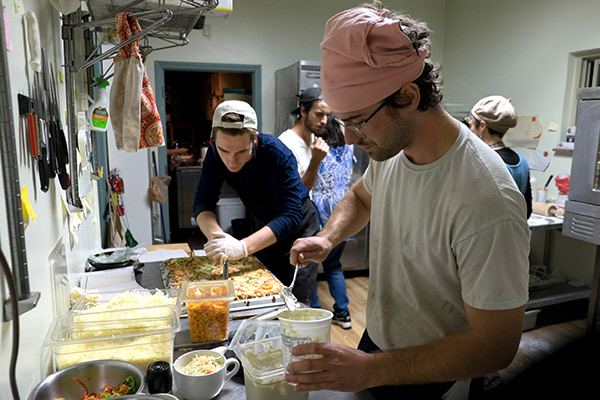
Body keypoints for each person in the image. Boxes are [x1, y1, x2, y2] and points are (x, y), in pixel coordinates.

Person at [286, 2, 530, 399]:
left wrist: (371, 371)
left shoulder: (487, 199)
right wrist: (328, 238)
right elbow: (362, 198)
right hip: (376, 346)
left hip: (434, 376)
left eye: (358, 121)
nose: (348, 137)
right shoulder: (393, 153)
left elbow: (495, 346)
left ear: (409, 95)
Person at [193, 100, 319, 304]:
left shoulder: (278, 154)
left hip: (298, 228)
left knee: (297, 299)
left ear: (255, 140)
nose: (232, 161)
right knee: (262, 291)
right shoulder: (215, 154)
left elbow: (291, 215)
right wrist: (216, 236)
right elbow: (203, 202)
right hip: (263, 224)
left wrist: (242, 247)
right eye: (225, 151)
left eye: (242, 152)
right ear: (214, 141)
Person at [309, 114, 356, 329]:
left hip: (321, 212)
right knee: (334, 265)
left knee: (309, 266)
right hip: (345, 209)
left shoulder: (319, 150)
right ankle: (343, 314)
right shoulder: (348, 148)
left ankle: (316, 312)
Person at [468, 95, 533, 218]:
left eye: (471, 125)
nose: (469, 131)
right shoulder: (522, 161)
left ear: (482, 126)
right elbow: (527, 210)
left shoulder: (482, 161)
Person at [279, 87, 331, 190]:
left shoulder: (312, 137)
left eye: (327, 115)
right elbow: (298, 193)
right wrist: (315, 160)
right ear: (303, 111)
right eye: (319, 114)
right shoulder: (286, 144)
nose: (324, 121)